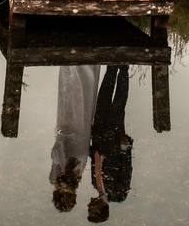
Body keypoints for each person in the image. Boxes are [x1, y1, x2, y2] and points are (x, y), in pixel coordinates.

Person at [49, 65, 101, 212]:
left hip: (72, 126)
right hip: (77, 128)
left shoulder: (61, 176)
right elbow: (57, 150)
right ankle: (81, 64)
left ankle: (78, 64)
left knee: (75, 93)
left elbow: (58, 149)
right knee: (79, 93)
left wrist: (59, 178)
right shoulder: (71, 175)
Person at [88, 64, 133, 222]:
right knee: (119, 102)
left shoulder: (94, 184)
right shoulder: (119, 194)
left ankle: (112, 66)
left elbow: (94, 159)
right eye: (91, 210)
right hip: (114, 138)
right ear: (99, 210)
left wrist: (87, 143)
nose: (88, 206)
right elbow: (127, 169)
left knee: (103, 96)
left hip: (99, 134)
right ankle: (124, 68)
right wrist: (126, 148)